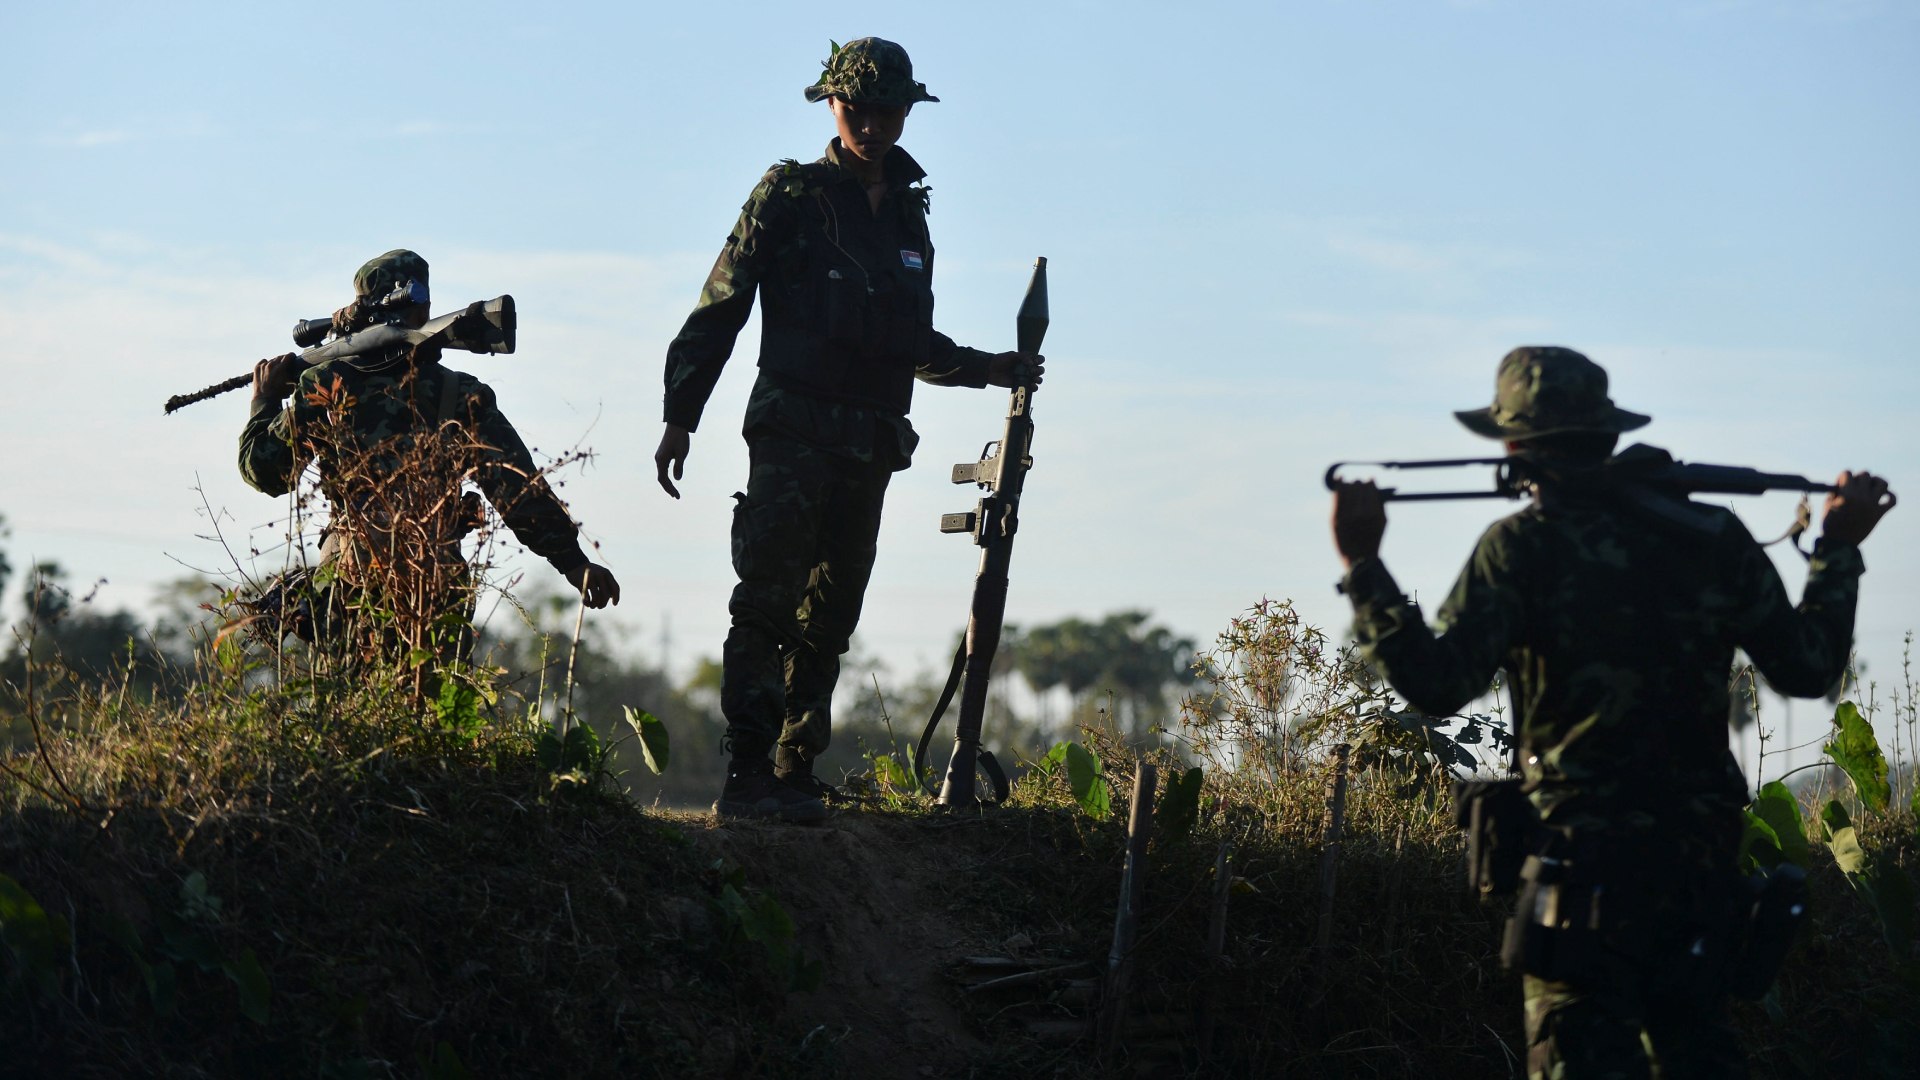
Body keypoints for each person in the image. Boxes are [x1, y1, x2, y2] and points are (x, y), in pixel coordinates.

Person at [1330, 347, 1894, 1079]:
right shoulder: (1713, 539)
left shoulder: (1520, 548)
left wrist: (1364, 566)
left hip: (1579, 876)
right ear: (1607, 434)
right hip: (1698, 874)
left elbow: (1439, 684)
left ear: (1511, 444)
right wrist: (1837, 550)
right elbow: (1811, 666)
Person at [653, 38, 1043, 823]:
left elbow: (911, 344)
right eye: (855, 108)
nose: (870, 123)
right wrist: (680, 414)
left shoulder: (908, 214)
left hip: (868, 443)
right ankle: (748, 776)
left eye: (885, 110)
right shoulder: (790, 195)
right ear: (831, 107)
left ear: (906, 113)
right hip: (792, 433)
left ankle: (797, 769)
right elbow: (719, 306)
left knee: (829, 617)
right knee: (766, 600)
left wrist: (992, 367)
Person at [241, 249, 619, 650]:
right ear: (423, 311)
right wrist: (574, 564)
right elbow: (518, 490)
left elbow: (263, 471)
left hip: (352, 595)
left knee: (354, 708)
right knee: (435, 706)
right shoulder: (460, 393)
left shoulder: (323, 384)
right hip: (435, 596)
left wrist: (263, 400)